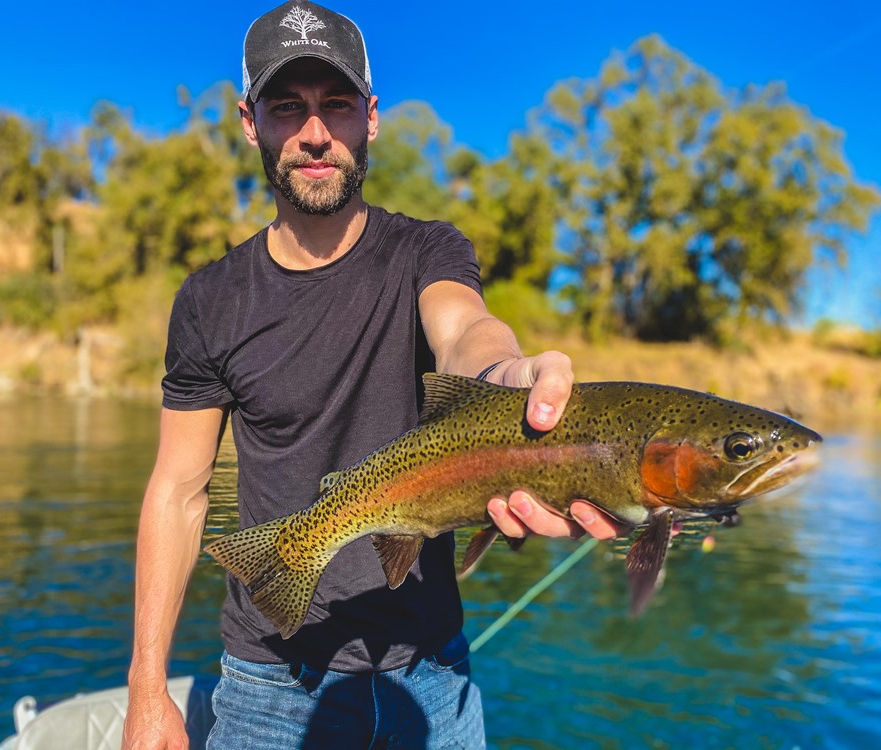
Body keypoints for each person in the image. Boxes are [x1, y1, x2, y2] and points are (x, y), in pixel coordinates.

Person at [122, 2, 622, 748]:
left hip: (436, 677)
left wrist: (506, 373)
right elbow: (178, 489)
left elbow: (463, 332)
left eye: (338, 105)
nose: (315, 132)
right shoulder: (209, 299)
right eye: (288, 106)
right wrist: (146, 687)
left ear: (372, 118)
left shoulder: (427, 252)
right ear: (250, 121)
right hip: (270, 683)